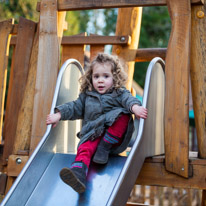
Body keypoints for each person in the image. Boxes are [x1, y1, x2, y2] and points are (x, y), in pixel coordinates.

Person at [46, 53, 148, 193]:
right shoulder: (87, 97)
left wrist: (135, 108)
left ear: (115, 77)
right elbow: (74, 107)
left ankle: (104, 146)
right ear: (90, 78)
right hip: (94, 135)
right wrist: (59, 114)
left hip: (113, 142)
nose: (100, 80)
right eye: (96, 76)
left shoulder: (119, 93)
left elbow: (128, 100)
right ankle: (78, 174)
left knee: (123, 114)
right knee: (85, 147)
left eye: (106, 76)